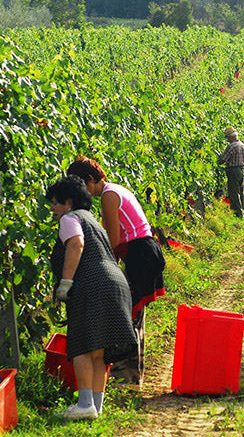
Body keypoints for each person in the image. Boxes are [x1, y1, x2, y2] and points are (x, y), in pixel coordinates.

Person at [66, 156, 166, 390]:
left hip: (140, 255)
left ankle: (125, 378)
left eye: (82, 186)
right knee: (132, 314)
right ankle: (132, 376)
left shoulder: (109, 197)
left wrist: (101, 268)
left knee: (124, 316)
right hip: (144, 253)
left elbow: (113, 240)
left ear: (90, 180)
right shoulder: (115, 189)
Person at [45, 175, 138, 420]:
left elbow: (76, 244)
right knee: (98, 351)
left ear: (68, 202)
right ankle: (96, 405)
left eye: (55, 203)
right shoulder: (91, 219)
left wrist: (66, 283)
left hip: (91, 286)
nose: (53, 209)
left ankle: (85, 404)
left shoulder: (70, 218)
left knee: (82, 346)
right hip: (115, 283)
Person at [217, 126, 244, 218]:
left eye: (227, 137)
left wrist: (217, 163)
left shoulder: (231, 147)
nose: (227, 140)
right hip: (242, 169)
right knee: (240, 190)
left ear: (231, 137)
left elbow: (223, 159)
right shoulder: (243, 146)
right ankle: (242, 209)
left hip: (233, 170)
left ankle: (238, 213)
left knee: (234, 192)